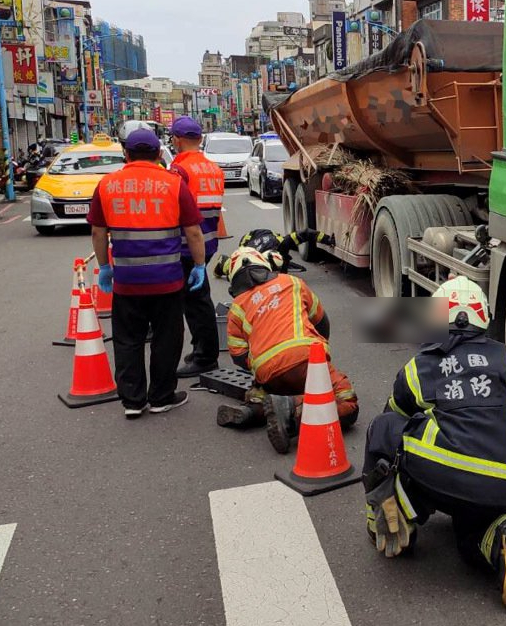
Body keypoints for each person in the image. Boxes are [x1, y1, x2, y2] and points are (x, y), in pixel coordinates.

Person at [362, 276, 506, 614]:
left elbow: (393, 426)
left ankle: (394, 516)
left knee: (384, 427)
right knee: (470, 537)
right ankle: (503, 533)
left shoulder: (420, 367)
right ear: (484, 319)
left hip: (440, 478)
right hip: (501, 485)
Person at [89, 128, 207, 418]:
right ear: (157, 154)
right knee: (167, 338)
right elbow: (192, 231)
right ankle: (161, 397)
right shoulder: (173, 184)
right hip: (167, 280)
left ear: (126, 154)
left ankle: (132, 400)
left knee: (127, 339)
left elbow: (98, 231)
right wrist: (200, 265)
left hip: (127, 282)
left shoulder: (107, 185)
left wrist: (105, 267)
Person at [221, 246, 358, 452]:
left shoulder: (237, 307)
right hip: (307, 360)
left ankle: (256, 410)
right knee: (347, 400)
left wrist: (261, 367)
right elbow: (321, 321)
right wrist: (321, 358)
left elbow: (238, 356)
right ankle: (292, 409)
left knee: (274, 389)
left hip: (268, 374)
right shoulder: (291, 282)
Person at [168, 116, 226, 378]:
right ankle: (201, 349)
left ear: (176, 140)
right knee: (197, 298)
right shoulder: (213, 167)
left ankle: (205, 356)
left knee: (195, 302)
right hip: (208, 240)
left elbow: (174, 208)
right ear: (200, 139)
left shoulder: (180, 170)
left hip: (186, 244)